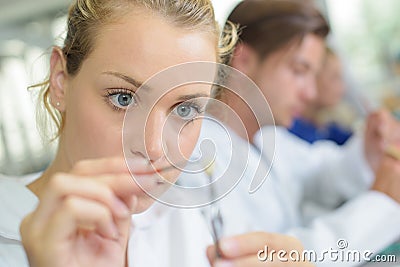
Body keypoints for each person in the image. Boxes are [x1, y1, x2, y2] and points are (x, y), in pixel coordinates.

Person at [0, 0, 313, 267]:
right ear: (59, 80)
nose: (152, 147)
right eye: (123, 98)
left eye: (185, 110)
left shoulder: (200, 226)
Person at [185, 0, 400, 266]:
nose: (309, 93)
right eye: (299, 71)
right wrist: (381, 206)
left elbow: (323, 172)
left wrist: (370, 151)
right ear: (244, 59)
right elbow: (260, 258)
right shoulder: (194, 157)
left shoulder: (270, 140)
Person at [288, 46, 354, 145]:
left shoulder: (324, 128)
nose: (343, 88)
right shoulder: (291, 130)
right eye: (334, 78)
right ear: (312, 78)